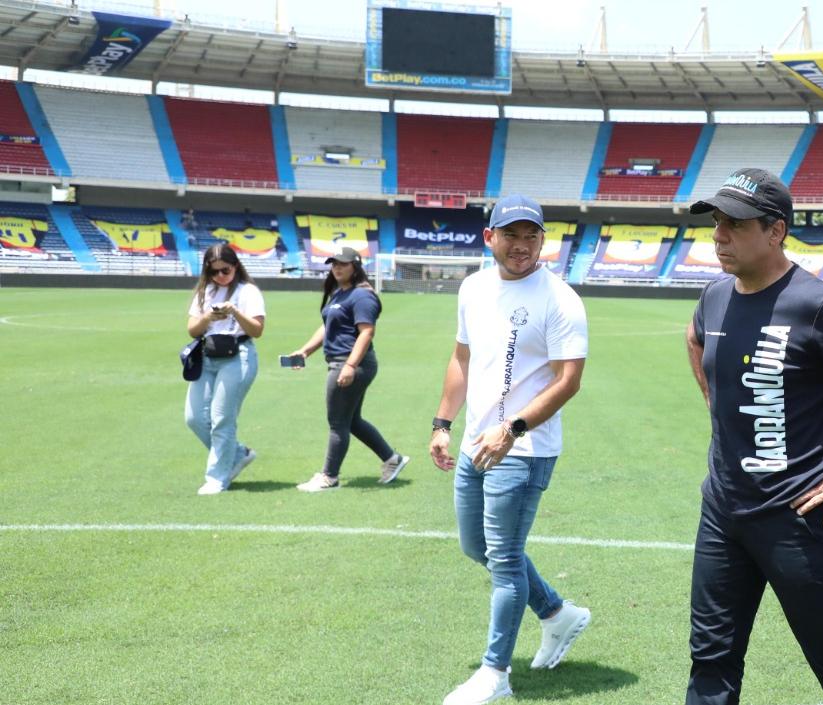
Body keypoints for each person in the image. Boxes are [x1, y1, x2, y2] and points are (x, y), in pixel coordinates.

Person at [683, 168, 823, 705]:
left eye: (734, 224)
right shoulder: (714, 296)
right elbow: (696, 341)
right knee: (710, 662)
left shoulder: (817, 305)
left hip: (799, 518)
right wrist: (720, 410)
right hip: (723, 513)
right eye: (716, 223)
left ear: (775, 230)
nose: (719, 235)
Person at [429, 195, 592, 705]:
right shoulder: (473, 287)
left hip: (524, 449)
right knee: (477, 548)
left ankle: (495, 672)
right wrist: (442, 423)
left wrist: (513, 429)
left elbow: (569, 382)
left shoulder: (561, 299)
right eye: (511, 235)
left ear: (543, 239)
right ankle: (557, 613)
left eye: (531, 236)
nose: (521, 246)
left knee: (502, 558)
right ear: (490, 238)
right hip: (479, 440)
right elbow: (461, 358)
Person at [284, 247, 409, 492]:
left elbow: (366, 332)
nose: (337, 267)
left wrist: (350, 365)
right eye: (334, 263)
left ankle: (329, 477)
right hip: (343, 362)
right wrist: (305, 351)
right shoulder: (340, 294)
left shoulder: (361, 296)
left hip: (350, 363)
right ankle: (392, 459)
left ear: (355, 266)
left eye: (343, 263)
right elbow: (327, 327)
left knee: (337, 421)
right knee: (351, 421)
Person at [185, 244, 266, 495]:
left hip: (238, 356)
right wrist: (208, 318)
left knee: (222, 419)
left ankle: (217, 478)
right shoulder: (205, 291)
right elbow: (192, 330)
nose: (220, 276)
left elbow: (257, 330)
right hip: (207, 356)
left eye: (225, 270)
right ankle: (238, 453)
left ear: (236, 266)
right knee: (194, 417)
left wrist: (235, 312)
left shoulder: (247, 291)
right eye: (214, 272)